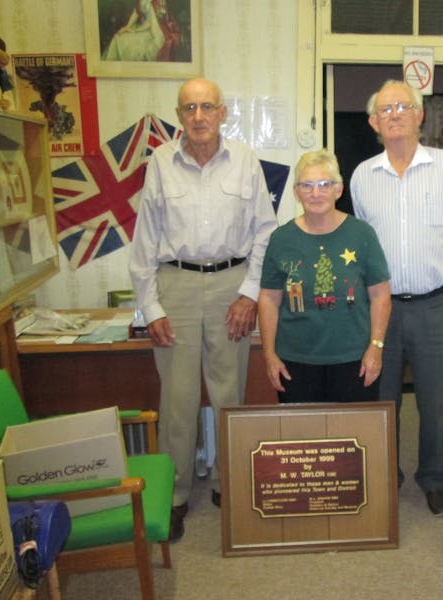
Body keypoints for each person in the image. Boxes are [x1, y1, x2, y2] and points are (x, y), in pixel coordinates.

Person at [129, 78, 277, 541]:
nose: (198, 116)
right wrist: (149, 306)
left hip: (231, 286)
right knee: (177, 400)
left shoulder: (245, 162)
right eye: (189, 108)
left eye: (207, 106)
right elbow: (145, 239)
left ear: (223, 112)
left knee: (229, 391)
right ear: (179, 115)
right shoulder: (159, 163)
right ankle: (173, 496)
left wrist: (249, 294)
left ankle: (228, 483)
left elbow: (265, 233)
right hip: (175, 286)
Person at [350, 80, 443, 517]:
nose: (395, 114)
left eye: (404, 106)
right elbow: (363, 240)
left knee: (436, 400)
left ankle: (434, 478)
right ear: (374, 122)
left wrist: (426, 264)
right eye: (386, 109)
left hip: (437, 306)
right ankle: (385, 475)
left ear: (420, 115)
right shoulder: (363, 175)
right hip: (380, 310)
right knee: (382, 399)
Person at [258, 150, 391, 404]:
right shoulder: (281, 239)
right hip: (295, 362)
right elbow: (268, 299)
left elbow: (380, 295)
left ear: (338, 189)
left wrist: (376, 346)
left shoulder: (362, 234)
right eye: (306, 186)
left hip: (354, 360)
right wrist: (269, 355)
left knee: (353, 438)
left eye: (323, 185)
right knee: (303, 438)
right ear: (296, 192)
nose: (315, 193)